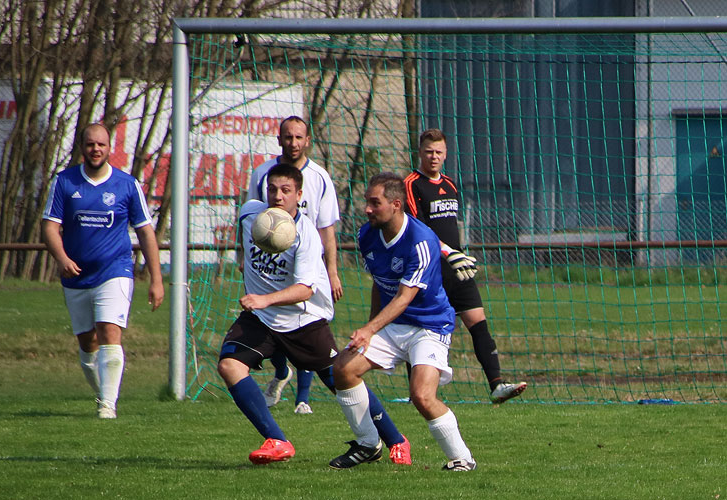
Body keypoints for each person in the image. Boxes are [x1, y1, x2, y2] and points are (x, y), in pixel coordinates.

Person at [219, 163, 411, 465]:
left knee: (342, 378)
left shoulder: (305, 234)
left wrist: (263, 299)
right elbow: (245, 243)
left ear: (299, 195)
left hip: (303, 319)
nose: (278, 196)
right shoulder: (250, 214)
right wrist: (245, 261)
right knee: (230, 366)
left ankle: (396, 440)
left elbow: (304, 290)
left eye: (286, 191)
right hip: (263, 317)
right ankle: (277, 440)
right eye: (272, 189)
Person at [331, 172, 476, 471]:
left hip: (429, 325)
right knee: (343, 369)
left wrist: (370, 329)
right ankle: (368, 445)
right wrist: (372, 327)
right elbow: (379, 283)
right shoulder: (366, 235)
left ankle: (462, 459)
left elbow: (403, 297)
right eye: (367, 202)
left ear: (396, 204)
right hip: (393, 324)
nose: (367, 209)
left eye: (375, 203)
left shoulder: (421, 241)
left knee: (422, 395)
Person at [42, 123, 164, 419]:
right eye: (90, 144)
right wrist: (62, 258)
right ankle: (103, 395)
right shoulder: (65, 182)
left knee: (109, 331)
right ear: (82, 147)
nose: (96, 149)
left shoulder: (126, 184)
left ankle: (108, 405)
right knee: (88, 342)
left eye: (101, 145)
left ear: (110, 148)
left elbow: (146, 233)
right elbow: (49, 227)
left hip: (116, 269)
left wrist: (156, 280)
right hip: (76, 275)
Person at [404, 128, 527, 404]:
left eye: (438, 152)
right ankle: (417, 393)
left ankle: (496, 384)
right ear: (420, 153)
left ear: (445, 154)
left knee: (478, 323)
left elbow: (451, 227)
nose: (433, 157)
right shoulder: (411, 184)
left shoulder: (450, 184)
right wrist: (447, 252)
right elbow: (417, 230)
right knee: (421, 329)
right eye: (428, 152)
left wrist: (458, 253)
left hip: (456, 267)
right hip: (429, 268)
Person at [248, 116, 341, 414]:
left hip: (306, 259)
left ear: (307, 140)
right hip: (269, 262)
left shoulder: (320, 177)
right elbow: (253, 221)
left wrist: (333, 271)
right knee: (268, 318)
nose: (293, 143)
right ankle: (279, 371)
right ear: (279, 139)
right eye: (288, 137)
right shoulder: (263, 174)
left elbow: (327, 228)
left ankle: (303, 398)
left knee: (304, 321)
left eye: (299, 137)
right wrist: (244, 259)